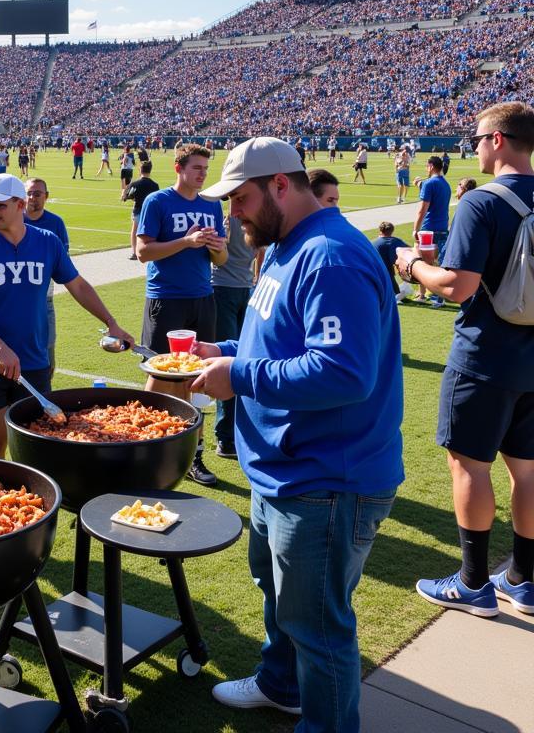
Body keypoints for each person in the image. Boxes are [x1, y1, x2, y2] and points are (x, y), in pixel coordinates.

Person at [190, 136, 403, 730]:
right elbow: (279, 341)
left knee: (319, 629)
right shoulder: (288, 244)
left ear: (281, 185)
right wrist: (226, 351)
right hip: (285, 468)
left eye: (241, 198)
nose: (232, 213)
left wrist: (240, 374)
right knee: (282, 599)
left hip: (326, 478)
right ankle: (282, 684)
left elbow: (343, 372)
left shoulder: (330, 255)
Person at [395, 102, 534, 618]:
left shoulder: (483, 201)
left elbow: (457, 287)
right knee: (528, 470)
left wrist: (411, 266)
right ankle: (524, 578)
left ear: (498, 140)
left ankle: (474, 583)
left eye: (475, 138)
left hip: (485, 357)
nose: (471, 148)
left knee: (469, 465)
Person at [0, 174, 133, 458]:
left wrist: (111, 323)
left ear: (20, 204)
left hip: (33, 359)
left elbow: (78, 285)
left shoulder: (47, 242)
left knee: (36, 442)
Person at [136, 143, 228, 486]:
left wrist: (217, 249)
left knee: (199, 377)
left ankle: (194, 454)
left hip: (203, 297)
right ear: (178, 168)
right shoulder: (157, 201)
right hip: (166, 299)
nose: (203, 174)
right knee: (160, 375)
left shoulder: (211, 204)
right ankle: (146, 443)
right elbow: (142, 251)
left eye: (206, 168)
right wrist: (185, 242)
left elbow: (218, 261)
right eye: (197, 168)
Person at [210, 211, 259, 459]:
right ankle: (227, 436)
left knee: (232, 362)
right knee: (237, 360)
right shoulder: (258, 219)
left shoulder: (226, 221)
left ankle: (228, 436)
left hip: (226, 289)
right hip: (243, 288)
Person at [23, 177, 70, 376]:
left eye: (38, 193)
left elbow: (63, 260)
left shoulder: (55, 223)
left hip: (44, 297)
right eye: (30, 193)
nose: (33, 197)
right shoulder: (15, 220)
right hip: (16, 295)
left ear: (46, 196)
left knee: (48, 349)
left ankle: (45, 392)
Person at [412, 155, 452, 308]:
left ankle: (424, 294)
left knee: (421, 262)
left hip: (428, 229)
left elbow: (422, 210)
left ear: (430, 166)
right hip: (442, 228)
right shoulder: (445, 184)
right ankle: (435, 295)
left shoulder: (430, 184)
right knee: (438, 263)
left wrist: (415, 228)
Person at [121, 161, 159, 260]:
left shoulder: (135, 184)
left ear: (140, 170)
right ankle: (151, 251)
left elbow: (125, 197)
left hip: (138, 210)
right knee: (150, 233)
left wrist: (128, 196)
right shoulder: (155, 185)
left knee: (134, 232)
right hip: (150, 212)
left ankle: (134, 252)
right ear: (150, 170)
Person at [372, 221, 411, 304]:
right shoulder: (395, 241)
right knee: (390, 280)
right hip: (387, 268)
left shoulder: (373, 242)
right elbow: (409, 249)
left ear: (380, 230)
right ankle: (395, 295)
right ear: (392, 231)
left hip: (373, 268)